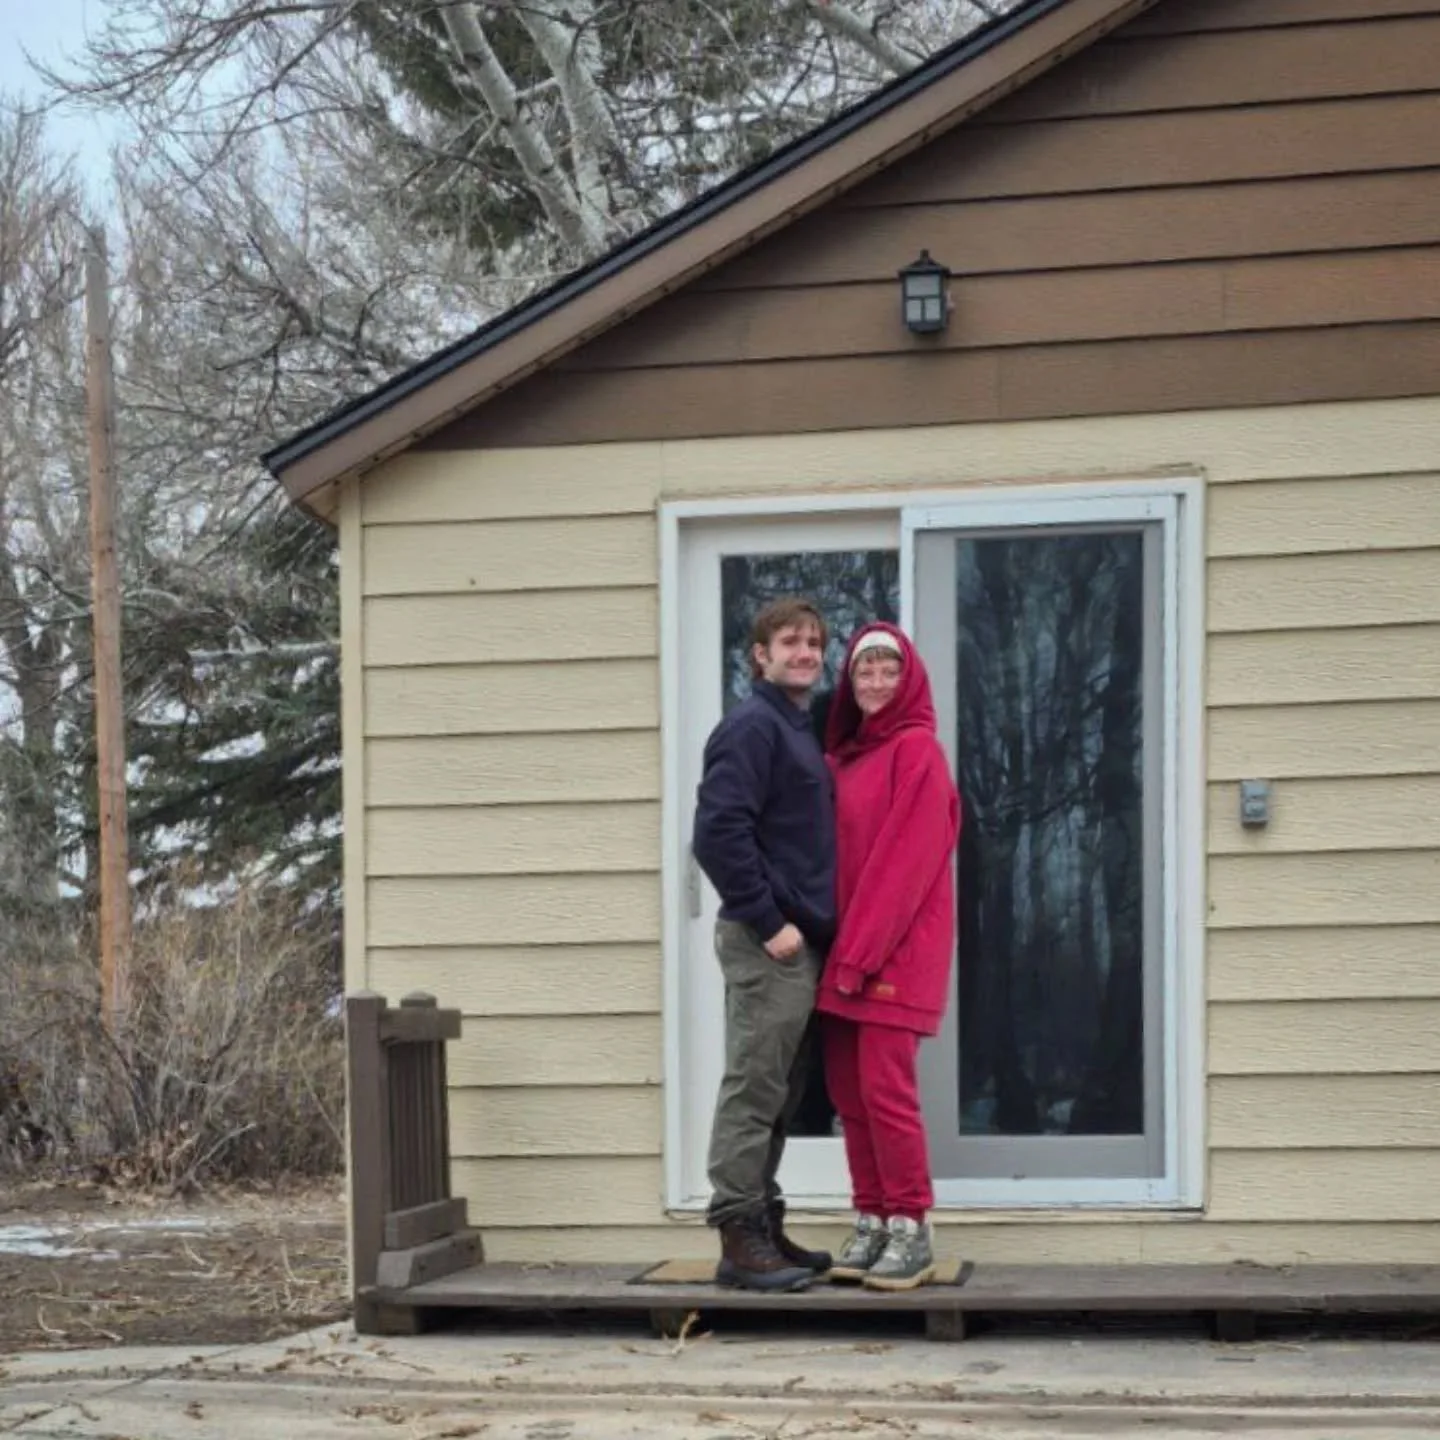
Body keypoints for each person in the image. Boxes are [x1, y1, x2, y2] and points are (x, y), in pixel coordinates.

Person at [692, 597, 837, 1292]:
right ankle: (738, 1235)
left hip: (797, 937)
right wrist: (767, 920)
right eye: (790, 641)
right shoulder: (751, 727)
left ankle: (765, 1223)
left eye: (813, 641)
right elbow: (718, 833)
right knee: (754, 1087)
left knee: (781, 1091)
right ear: (760, 654)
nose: (805, 651)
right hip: (767, 940)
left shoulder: (796, 727)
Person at [818, 623, 960, 1291]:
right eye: (863, 672)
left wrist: (861, 953)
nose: (875, 683)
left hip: (892, 955)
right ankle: (872, 1217)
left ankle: (912, 1225)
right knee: (850, 1095)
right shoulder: (843, 759)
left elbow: (904, 867)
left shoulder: (918, 753)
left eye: (887, 671)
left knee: (885, 1092)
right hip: (844, 952)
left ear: (910, 681)